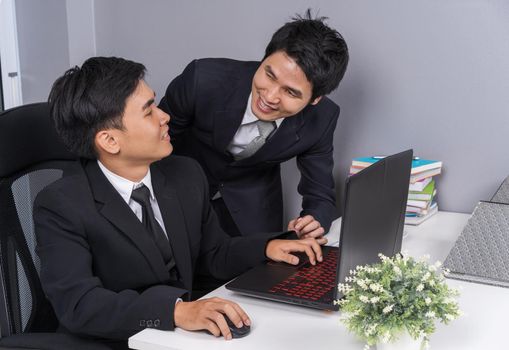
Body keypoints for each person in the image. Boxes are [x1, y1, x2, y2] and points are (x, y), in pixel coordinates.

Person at [34, 56, 325, 349]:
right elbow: (80, 305)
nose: (164, 116)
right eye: (149, 112)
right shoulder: (61, 205)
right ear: (110, 141)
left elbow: (214, 252)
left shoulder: (184, 173)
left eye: (156, 104)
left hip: (180, 338)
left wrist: (267, 247)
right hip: (115, 341)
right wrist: (175, 311)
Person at [159, 10, 349, 241]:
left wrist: (314, 221)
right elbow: (153, 146)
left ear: (315, 99)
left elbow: (320, 193)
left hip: (254, 212)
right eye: (269, 75)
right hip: (178, 196)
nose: (269, 96)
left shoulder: (323, 117)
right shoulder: (203, 79)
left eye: (290, 92)